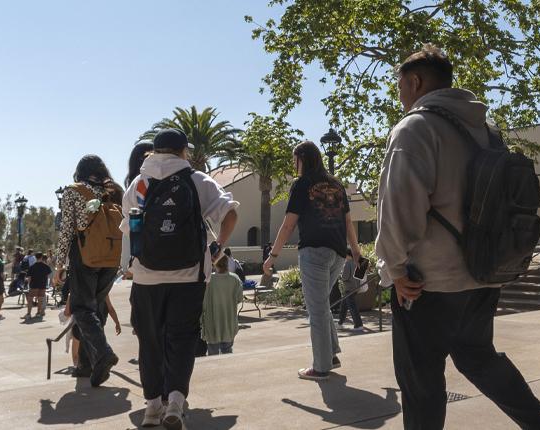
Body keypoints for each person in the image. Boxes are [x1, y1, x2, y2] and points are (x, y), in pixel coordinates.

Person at [374, 46, 540, 430]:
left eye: (400, 86)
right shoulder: (487, 133)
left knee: (421, 382)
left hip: (427, 283)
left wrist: (393, 270)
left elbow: (399, 211)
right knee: (479, 357)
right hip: (483, 273)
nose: (399, 95)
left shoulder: (415, 129)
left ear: (415, 82)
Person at [122, 128, 239, 429]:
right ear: (183, 150)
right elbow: (231, 214)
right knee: (182, 339)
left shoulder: (139, 183)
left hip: (146, 277)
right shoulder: (197, 180)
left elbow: (129, 230)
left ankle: (151, 408)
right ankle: (175, 403)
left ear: (155, 151)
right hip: (189, 276)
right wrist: (217, 250)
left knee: (150, 341)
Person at [261, 140, 365, 380]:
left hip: (314, 252)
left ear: (302, 159)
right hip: (338, 253)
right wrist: (356, 252)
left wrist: (272, 256)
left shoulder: (302, 184)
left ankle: (320, 367)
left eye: (293, 159)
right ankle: (331, 354)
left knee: (316, 309)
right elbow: (348, 222)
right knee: (321, 305)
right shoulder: (336, 185)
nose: (292, 164)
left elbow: (288, 224)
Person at [52, 154, 127, 387]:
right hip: (112, 258)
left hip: (85, 257)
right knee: (95, 309)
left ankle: (103, 354)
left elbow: (66, 231)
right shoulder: (115, 190)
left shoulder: (74, 191)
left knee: (81, 307)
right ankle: (87, 365)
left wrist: (59, 265)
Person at [202, 258, 244, 355]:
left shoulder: (208, 280)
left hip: (212, 322)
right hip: (228, 321)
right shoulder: (235, 279)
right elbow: (239, 298)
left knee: (212, 352)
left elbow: (202, 302)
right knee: (227, 351)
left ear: (214, 264)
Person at [25, 253, 53, 319]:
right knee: (40, 299)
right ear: (42, 257)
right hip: (42, 285)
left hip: (33, 285)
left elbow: (29, 278)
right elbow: (50, 276)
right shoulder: (46, 266)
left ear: (35, 257)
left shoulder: (32, 267)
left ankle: (28, 314)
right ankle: (38, 313)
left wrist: (29, 285)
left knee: (30, 300)